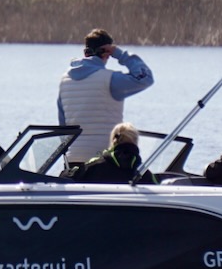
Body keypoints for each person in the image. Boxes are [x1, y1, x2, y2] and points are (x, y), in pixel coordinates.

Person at [57, 28, 154, 163]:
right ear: (107, 53)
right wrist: (121, 54)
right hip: (105, 160)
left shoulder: (65, 80)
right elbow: (146, 78)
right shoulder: (110, 80)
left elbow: (63, 126)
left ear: (85, 52)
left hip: (74, 158)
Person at [73, 122, 153, 184]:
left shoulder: (94, 167)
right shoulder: (144, 174)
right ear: (136, 141)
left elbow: (69, 177)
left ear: (113, 139)